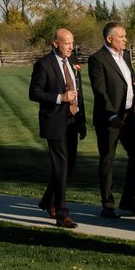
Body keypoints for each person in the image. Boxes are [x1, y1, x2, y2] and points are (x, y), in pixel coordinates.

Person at [30, 27, 86, 229]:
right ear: (56, 43)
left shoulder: (72, 62)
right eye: (67, 43)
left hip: (72, 120)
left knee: (68, 167)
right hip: (55, 122)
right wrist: (60, 98)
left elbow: (78, 93)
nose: (71, 47)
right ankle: (62, 214)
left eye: (72, 43)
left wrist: (81, 120)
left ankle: (47, 201)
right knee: (61, 166)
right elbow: (34, 93)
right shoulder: (44, 65)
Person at [88, 22, 135, 219]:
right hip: (109, 118)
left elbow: (125, 83)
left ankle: (128, 200)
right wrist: (111, 115)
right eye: (121, 36)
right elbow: (100, 90)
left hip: (129, 115)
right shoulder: (97, 59)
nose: (125, 40)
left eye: (125, 36)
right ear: (109, 39)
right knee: (107, 159)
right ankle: (108, 204)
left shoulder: (125, 56)